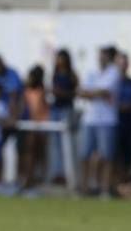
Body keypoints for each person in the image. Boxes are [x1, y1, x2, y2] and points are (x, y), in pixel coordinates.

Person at [77, 46, 121, 197]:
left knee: (106, 156)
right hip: (89, 119)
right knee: (84, 155)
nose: (101, 59)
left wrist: (91, 93)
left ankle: (104, 188)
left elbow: (105, 91)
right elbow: (81, 92)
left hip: (107, 120)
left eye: (104, 56)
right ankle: (84, 187)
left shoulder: (114, 72)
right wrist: (93, 93)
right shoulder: (91, 72)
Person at [49, 48, 78, 183]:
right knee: (55, 144)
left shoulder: (72, 75)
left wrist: (62, 93)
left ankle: (69, 173)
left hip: (66, 109)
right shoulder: (55, 74)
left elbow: (74, 92)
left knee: (67, 143)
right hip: (56, 108)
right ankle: (57, 172)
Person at [115, 53, 131, 183]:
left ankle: (124, 182)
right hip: (114, 123)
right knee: (114, 155)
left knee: (128, 154)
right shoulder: (112, 82)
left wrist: (127, 106)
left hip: (129, 122)